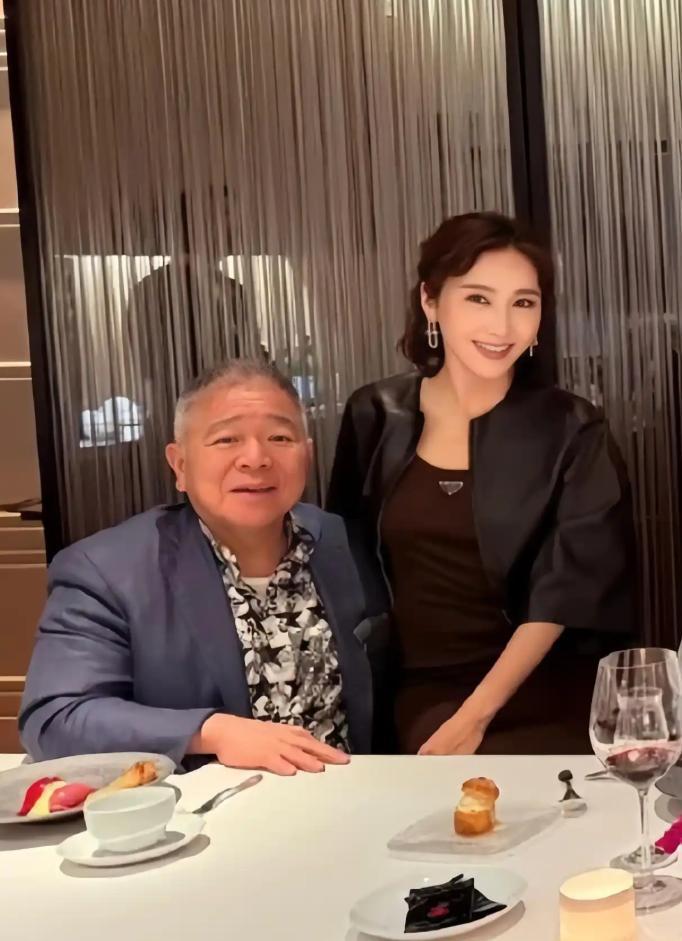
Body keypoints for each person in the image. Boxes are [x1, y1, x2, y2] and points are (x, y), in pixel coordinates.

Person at [328, 212, 637, 756]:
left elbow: (566, 590)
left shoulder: (573, 428)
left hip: (548, 683)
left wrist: (476, 716)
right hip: (421, 687)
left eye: (523, 303)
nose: (502, 326)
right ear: (430, 301)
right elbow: (344, 556)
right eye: (478, 299)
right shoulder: (374, 414)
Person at [20, 360, 381, 775]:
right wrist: (210, 731)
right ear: (180, 465)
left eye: (279, 437)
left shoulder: (343, 543)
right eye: (226, 439)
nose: (256, 458)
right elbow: (56, 717)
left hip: (347, 793)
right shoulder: (107, 570)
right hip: (207, 807)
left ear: (308, 455)